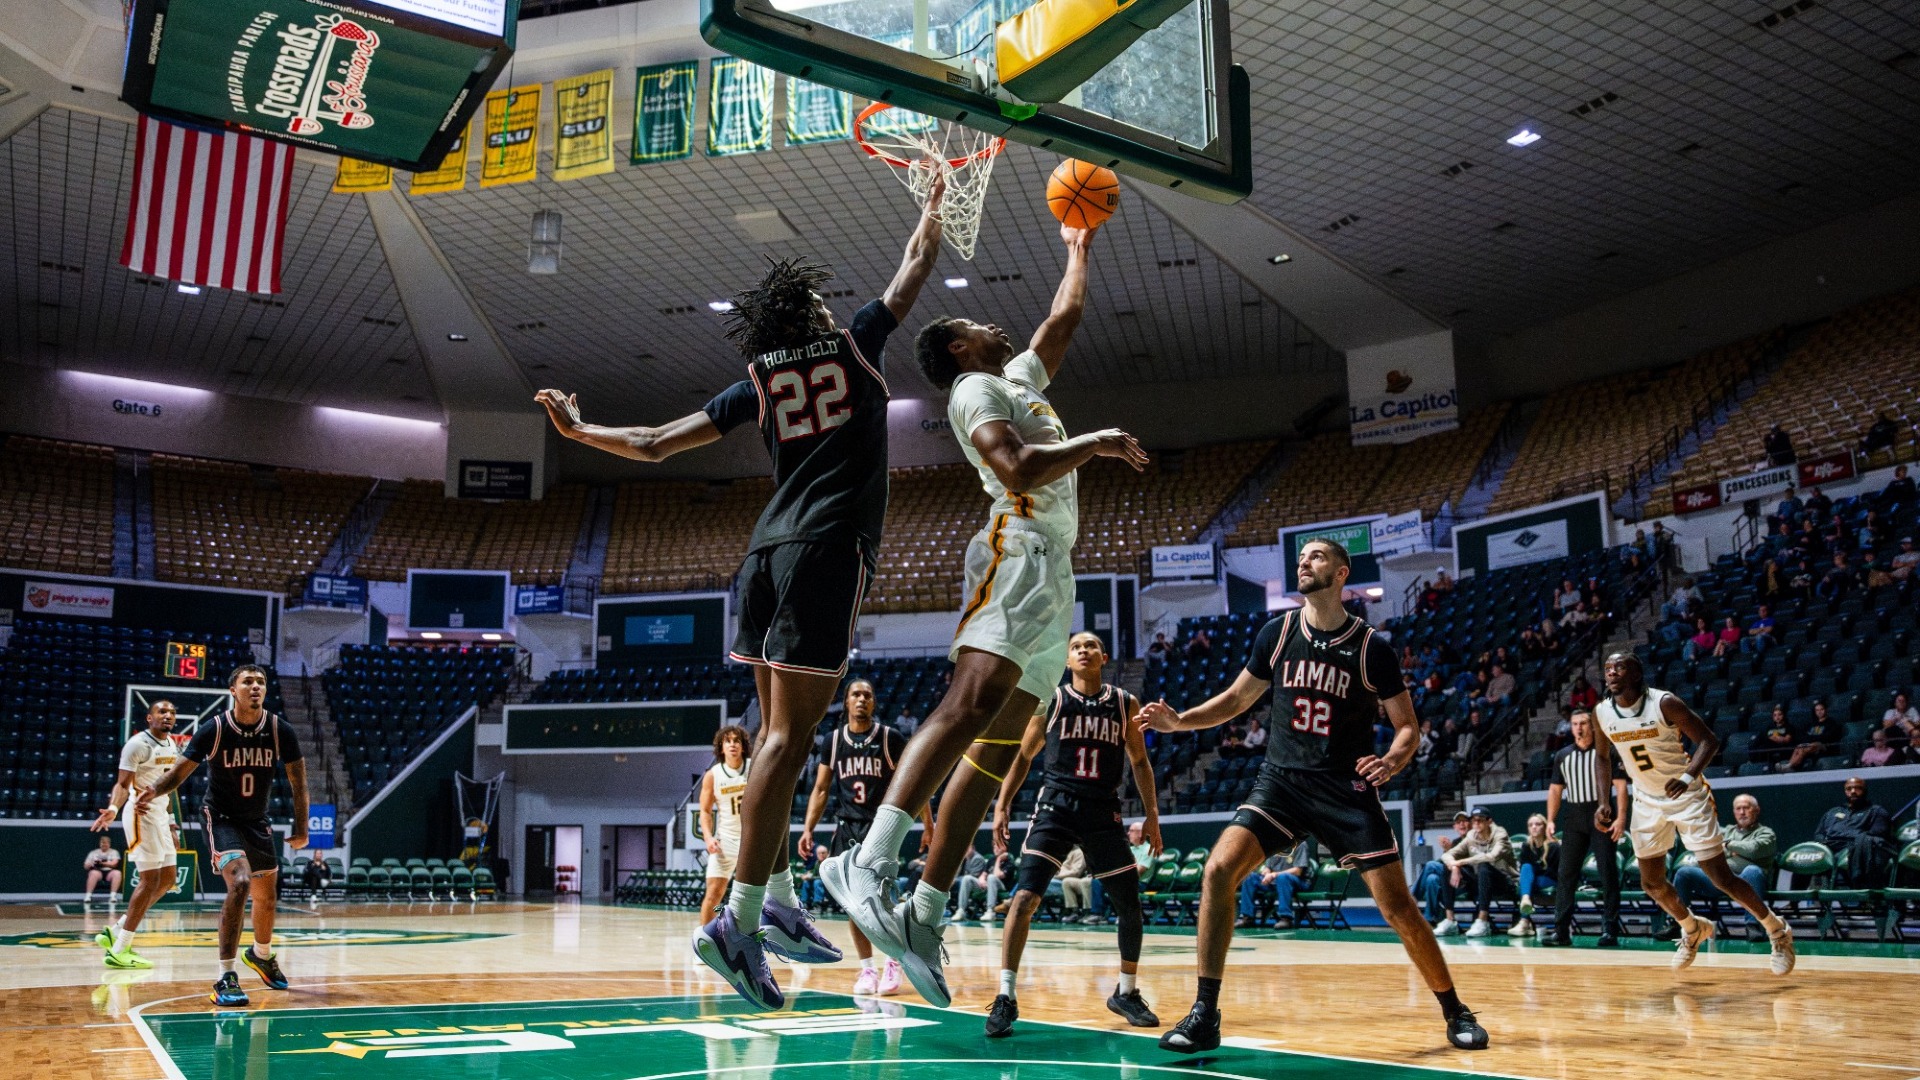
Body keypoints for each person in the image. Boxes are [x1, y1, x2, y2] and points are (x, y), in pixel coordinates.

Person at [539, 193, 947, 1009]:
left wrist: (580, 434)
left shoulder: (760, 379)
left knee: (770, 741)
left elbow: (655, 443)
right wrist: (935, 204)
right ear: (814, 313)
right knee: (790, 742)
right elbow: (913, 268)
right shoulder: (855, 344)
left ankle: (783, 901)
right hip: (826, 551)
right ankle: (742, 919)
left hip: (762, 555)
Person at [819, 220, 1148, 1009]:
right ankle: (868, 859)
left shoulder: (1022, 378)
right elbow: (1017, 466)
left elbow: (1062, 319)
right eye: (976, 324)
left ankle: (924, 912)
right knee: (966, 704)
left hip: (1053, 571)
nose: (995, 325)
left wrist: (1079, 247)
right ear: (958, 348)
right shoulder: (974, 390)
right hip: (1017, 545)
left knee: (995, 754)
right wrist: (1097, 441)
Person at [1137, 539, 1489, 1052]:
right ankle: (1204, 1013)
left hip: (1344, 789)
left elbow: (1408, 727)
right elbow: (1236, 700)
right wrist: (1180, 722)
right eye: (1301, 558)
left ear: (1342, 573)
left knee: (1398, 908)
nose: (1304, 562)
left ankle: (1455, 1009)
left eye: (1317, 556)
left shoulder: (1370, 647)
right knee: (1218, 870)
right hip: (1281, 783)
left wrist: (1391, 760)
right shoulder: (1277, 633)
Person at [985, 631, 1164, 1034]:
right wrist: (1002, 803)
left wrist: (1151, 815)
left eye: (1091, 645)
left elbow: (1140, 762)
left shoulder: (1125, 703)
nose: (1083, 650)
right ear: (1067, 661)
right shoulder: (1052, 700)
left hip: (1103, 809)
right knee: (1025, 897)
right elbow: (1024, 754)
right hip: (1057, 806)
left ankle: (1126, 992)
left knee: (1129, 902)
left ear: (1103, 656)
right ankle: (1006, 995)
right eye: (1076, 647)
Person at [1589, 652, 1794, 973]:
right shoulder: (1601, 712)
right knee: (1651, 883)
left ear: (1636, 673)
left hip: (1686, 796)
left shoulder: (1664, 703)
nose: (1611, 672)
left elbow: (1709, 741)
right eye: (1607, 668)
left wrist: (1686, 778)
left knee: (1720, 876)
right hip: (1646, 798)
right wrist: (1604, 801)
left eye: (1619, 667)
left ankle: (1777, 930)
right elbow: (1602, 758)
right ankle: (1691, 927)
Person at [137, 665, 310, 1006]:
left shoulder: (279, 730)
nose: (256, 686)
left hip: (256, 821)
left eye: (261, 682)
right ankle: (225, 976)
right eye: (248, 682)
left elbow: (298, 782)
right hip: (221, 818)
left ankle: (261, 955)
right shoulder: (215, 729)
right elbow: (179, 773)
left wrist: (302, 828)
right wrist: (154, 790)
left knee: (267, 897)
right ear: (233, 690)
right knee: (241, 882)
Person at [798, 681, 929, 996]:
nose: (861, 699)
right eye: (855, 694)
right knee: (853, 905)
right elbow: (821, 789)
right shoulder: (833, 740)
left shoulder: (889, 738)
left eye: (867, 695)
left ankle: (894, 962)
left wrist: (929, 824)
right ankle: (868, 969)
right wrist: (808, 828)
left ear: (873, 703)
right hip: (847, 827)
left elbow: (914, 781)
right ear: (846, 702)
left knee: (884, 899)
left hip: (881, 826)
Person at [89, 698, 182, 967]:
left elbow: (169, 786)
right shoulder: (137, 744)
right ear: (149, 718)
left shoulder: (172, 744)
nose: (168, 715)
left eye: (172, 712)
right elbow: (122, 784)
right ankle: (120, 949)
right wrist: (113, 809)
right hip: (141, 815)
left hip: (161, 816)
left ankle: (117, 931)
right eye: (162, 711)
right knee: (149, 880)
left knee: (168, 879)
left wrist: (172, 823)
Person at [1544, 709, 1627, 947]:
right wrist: (1550, 819)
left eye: (1583, 723)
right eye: (1575, 724)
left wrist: (1621, 819)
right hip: (1574, 817)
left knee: (1607, 872)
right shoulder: (1563, 755)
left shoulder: (1607, 751)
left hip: (1602, 816)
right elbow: (1555, 790)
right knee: (1565, 874)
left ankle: (1609, 930)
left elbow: (1621, 787)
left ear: (1592, 726)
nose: (1579, 728)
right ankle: (1561, 931)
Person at [1667, 794, 1775, 925]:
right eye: (1738, 808)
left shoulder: (1766, 833)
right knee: (1684, 873)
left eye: (1746, 808)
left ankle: (1753, 925)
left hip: (1747, 884)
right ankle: (1675, 923)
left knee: (1752, 870)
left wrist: (1727, 844)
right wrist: (1737, 851)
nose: (1742, 812)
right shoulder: (1727, 831)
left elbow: (1753, 850)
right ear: (1734, 811)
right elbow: (1708, 841)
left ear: (1756, 810)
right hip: (1722, 881)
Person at [696, 725, 751, 927]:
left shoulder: (754, 767)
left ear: (743, 746)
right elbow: (705, 811)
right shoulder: (713, 775)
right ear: (721, 747)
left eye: (737, 741)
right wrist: (708, 837)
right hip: (725, 841)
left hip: (751, 841)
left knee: (757, 896)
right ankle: (704, 940)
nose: (732, 745)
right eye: (728, 741)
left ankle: (755, 937)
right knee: (713, 894)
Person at [1434, 808, 1517, 938]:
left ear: (1489, 821)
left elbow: (1491, 857)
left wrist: (1460, 862)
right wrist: (1455, 867)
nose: (1476, 823)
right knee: (1447, 868)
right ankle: (1450, 921)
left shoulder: (1500, 834)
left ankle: (1483, 922)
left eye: (1480, 820)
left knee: (1484, 865)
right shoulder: (1471, 836)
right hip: (1480, 880)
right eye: (1473, 820)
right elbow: (1448, 855)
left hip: (1504, 882)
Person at [1811, 777, 1894, 888]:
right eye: (1849, 789)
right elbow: (1819, 834)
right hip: (1830, 848)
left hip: (1853, 849)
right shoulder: (1832, 812)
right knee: (1804, 855)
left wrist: (1847, 838)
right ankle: (1797, 896)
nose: (1853, 791)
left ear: (1865, 790)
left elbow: (1876, 836)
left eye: (1857, 788)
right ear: (1845, 791)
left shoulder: (1876, 811)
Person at [1236, 840, 1314, 930]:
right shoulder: (1275, 844)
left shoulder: (1300, 844)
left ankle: (1286, 918)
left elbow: (1298, 871)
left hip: (1299, 882)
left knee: (1283, 877)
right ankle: (1247, 918)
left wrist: (1274, 875)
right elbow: (1268, 867)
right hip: (1276, 882)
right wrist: (1266, 873)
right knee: (1250, 877)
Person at [1416, 812, 1472, 923]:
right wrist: (1447, 850)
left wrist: (1449, 851)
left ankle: (1412, 898)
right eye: (1458, 822)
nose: (1461, 824)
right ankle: (1429, 918)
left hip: (1466, 881)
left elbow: (1464, 863)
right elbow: (1446, 865)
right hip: (1451, 882)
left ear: (1470, 824)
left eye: (1464, 821)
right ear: (1454, 827)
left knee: (1431, 865)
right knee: (1431, 879)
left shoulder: (1473, 840)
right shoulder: (1455, 842)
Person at [1511, 814, 1557, 938]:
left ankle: (1524, 921)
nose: (1534, 827)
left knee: (1526, 883)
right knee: (1526, 867)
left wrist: (1536, 869)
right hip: (1534, 879)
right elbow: (1525, 869)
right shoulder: (1526, 846)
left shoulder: (1554, 846)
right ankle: (1526, 901)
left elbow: (1555, 872)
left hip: (1551, 879)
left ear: (1545, 827)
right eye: (1531, 825)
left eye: (1538, 824)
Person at [1784, 701, 1840, 772]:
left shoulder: (1831, 722)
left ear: (1825, 710)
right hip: (1810, 744)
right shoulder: (1812, 723)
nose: (1819, 712)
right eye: (1817, 710)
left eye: (1821, 709)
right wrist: (1812, 739)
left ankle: (1790, 766)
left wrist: (1812, 738)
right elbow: (1805, 735)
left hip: (1824, 745)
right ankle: (1790, 765)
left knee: (1810, 746)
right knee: (1799, 747)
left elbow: (1826, 737)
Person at [83, 837, 122, 905]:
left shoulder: (114, 852)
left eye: (106, 843)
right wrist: (91, 864)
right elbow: (86, 866)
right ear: (100, 844)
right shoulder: (93, 853)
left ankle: (113, 896)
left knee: (117, 873)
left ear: (109, 844)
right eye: (103, 843)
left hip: (109, 871)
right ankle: (88, 896)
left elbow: (114, 863)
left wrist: (102, 863)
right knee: (93, 873)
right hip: (97, 872)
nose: (104, 845)